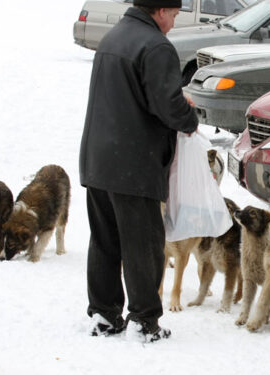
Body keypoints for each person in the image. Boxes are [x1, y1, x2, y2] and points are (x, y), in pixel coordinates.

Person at [78, 0, 197, 343]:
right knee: (143, 244)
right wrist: (189, 118)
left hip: (99, 158)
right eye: (174, 15)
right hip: (133, 162)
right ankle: (144, 323)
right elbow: (167, 105)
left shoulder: (113, 37)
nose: (173, 23)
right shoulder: (156, 46)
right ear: (160, 11)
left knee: (105, 240)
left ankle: (104, 314)